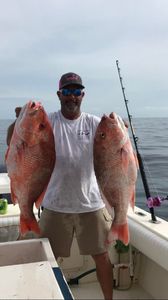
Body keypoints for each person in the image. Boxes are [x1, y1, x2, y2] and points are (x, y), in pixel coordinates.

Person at [39, 72, 113, 299]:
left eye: (77, 91)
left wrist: (119, 128)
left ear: (83, 95)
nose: (72, 97)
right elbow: (14, 137)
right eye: (68, 91)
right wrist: (20, 121)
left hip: (90, 204)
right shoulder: (47, 122)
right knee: (47, 259)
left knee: (101, 256)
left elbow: (115, 154)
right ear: (59, 94)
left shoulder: (95, 124)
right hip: (55, 204)